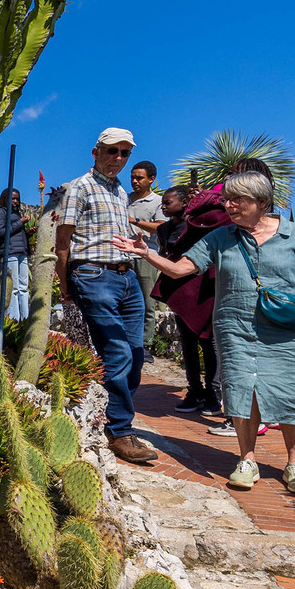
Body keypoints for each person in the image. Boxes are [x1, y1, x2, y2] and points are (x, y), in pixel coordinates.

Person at [122, 167, 295, 495]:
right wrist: (148, 254)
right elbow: (181, 269)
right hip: (235, 329)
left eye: (236, 200)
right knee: (243, 391)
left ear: (260, 201)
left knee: (292, 393)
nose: (228, 206)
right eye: (227, 200)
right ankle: (247, 460)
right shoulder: (220, 237)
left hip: (290, 331)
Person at [56, 127, 158, 464]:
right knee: (117, 352)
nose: (118, 158)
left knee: (137, 352)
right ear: (96, 151)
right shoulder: (79, 188)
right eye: (113, 151)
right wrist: (64, 282)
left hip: (125, 275)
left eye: (124, 153)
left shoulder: (118, 192)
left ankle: (115, 419)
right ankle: (119, 429)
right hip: (93, 274)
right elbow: (63, 241)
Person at [153, 181, 222, 410]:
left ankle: (213, 393)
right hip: (179, 286)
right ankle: (194, 389)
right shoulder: (163, 230)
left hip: (203, 286)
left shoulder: (199, 224)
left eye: (168, 202)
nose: (163, 206)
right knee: (188, 342)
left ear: (184, 202)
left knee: (208, 342)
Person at [127, 160, 163, 317]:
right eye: (133, 177)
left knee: (147, 303)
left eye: (139, 178)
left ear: (151, 179)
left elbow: (160, 227)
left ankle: (147, 341)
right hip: (124, 254)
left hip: (147, 256)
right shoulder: (123, 199)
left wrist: (134, 221)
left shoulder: (158, 202)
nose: (135, 181)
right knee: (125, 301)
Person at [0, 187, 31, 323]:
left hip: (22, 252)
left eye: (17, 199)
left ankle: (26, 319)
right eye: (12, 198)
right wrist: (21, 223)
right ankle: (14, 319)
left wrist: (28, 233)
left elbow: (16, 232)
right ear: (5, 199)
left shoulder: (17, 214)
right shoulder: (0, 213)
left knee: (24, 287)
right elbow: (0, 232)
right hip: (10, 253)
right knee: (13, 288)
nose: (15, 201)